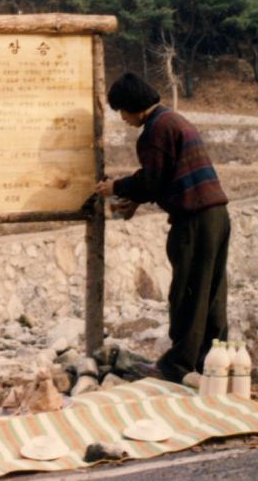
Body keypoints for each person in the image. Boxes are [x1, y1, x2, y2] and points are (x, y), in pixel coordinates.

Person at [95, 72, 230, 383]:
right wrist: (137, 199)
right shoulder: (173, 120)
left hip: (194, 220)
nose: (124, 120)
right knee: (211, 293)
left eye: (122, 112)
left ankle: (177, 366)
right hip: (217, 215)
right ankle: (214, 362)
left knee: (187, 293)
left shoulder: (155, 131)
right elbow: (167, 176)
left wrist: (116, 186)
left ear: (132, 106)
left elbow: (152, 179)